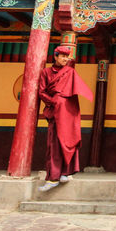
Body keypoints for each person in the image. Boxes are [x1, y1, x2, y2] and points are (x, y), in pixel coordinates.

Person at [37, 46, 93, 192]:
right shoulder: (46, 73)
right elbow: (41, 92)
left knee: (70, 139)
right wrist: (53, 101)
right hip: (55, 112)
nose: (65, 59)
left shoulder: (70, 72)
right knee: (55, 144)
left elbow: (74, 92)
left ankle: (65, 173)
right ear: (55, 56)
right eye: (62, 56)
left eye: (67, 57)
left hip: (69, 111)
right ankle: (52, 178)